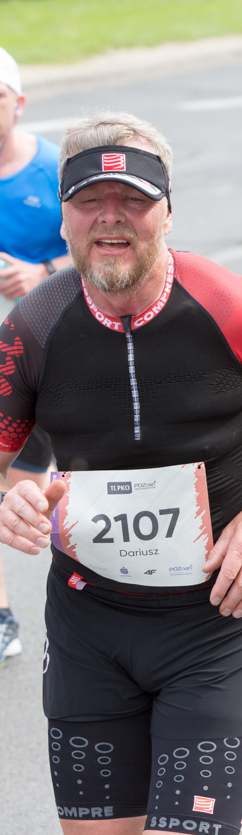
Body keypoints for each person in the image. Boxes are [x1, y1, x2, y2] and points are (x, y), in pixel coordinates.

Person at [0, 113, 242, 835]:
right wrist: (12, 496)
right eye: (89, 201)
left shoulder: (230, 303)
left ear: (168, 210)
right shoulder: (32, 327)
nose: (112, 220)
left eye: (133, 199)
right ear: (66, 217)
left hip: (214, 625)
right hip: (89, 628)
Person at [0, 45, 71, 670]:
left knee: (31, 489)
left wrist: (40, 270)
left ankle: (80, 601)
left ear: (17, 103)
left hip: (40, 359)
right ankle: (1, 615)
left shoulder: (53, 169)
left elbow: (108, 256)